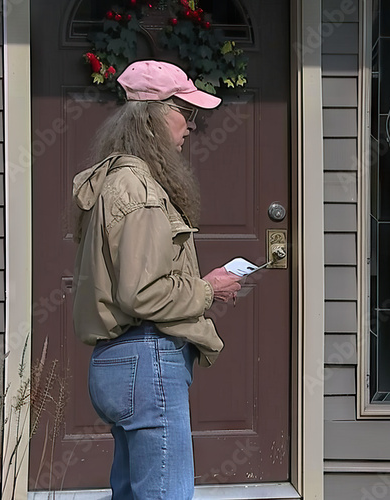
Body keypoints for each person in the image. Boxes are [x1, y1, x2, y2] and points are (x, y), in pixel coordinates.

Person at [71, 60, 243, 499]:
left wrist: (197, 284)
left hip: (116, 361)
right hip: (146, 357)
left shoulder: (112, 178)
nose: (192, 127)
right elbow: (142, 294)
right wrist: (207, 291)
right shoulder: (141, 190)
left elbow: (133, 281)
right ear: (156, 113)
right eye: (187, 113)